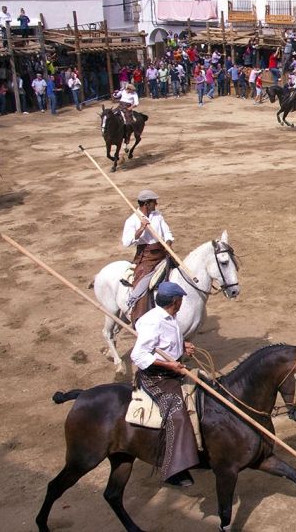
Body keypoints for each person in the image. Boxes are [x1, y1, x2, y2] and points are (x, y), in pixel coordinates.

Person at [131, 280, 199, 487]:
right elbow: (139, 355)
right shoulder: (154, 321)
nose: (181, 304)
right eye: (180, 301)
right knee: (177, 415)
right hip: (157, 377)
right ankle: (173, 469)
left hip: (174, 368)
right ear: (175, 302)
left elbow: (164, 342)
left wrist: (182, 347)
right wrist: (170, 366)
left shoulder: (167, 316)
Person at [122, 189, 174, 324]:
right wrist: (141, 229)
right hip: (146, 257)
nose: (156, 204)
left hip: (163, 252)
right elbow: (126, 242)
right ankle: (140, 315)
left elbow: (167, 232)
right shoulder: (132, 220)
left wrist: (168, 242)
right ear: (146, 203)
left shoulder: (157, 216)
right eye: (153, 202)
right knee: (143, 283)